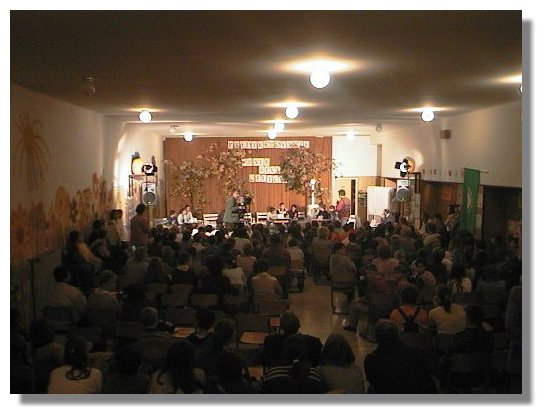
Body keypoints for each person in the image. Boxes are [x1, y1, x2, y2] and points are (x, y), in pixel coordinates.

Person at [363, 319, 436, 394]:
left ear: (376, 337)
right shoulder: (415, 354)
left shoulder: (372, 360)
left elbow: (372, 380)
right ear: (397, 334)